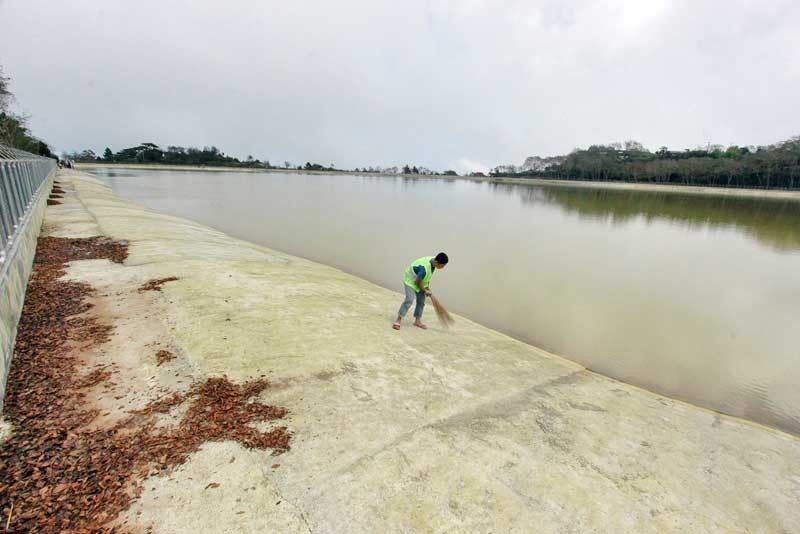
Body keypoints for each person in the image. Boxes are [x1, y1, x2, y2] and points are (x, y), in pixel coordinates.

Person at [392, 252, 449, 330]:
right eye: (442, 266)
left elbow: (427, 277)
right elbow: (417, 282)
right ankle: (398, 320)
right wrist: (425, 291)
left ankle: (417, 321)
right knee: (409, 299)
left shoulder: (434, 262)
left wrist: (427, 288)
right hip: (411, 281)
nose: (442, 267)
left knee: (421, 302)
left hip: (420, 281)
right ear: (436, 262)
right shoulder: (424, 268)